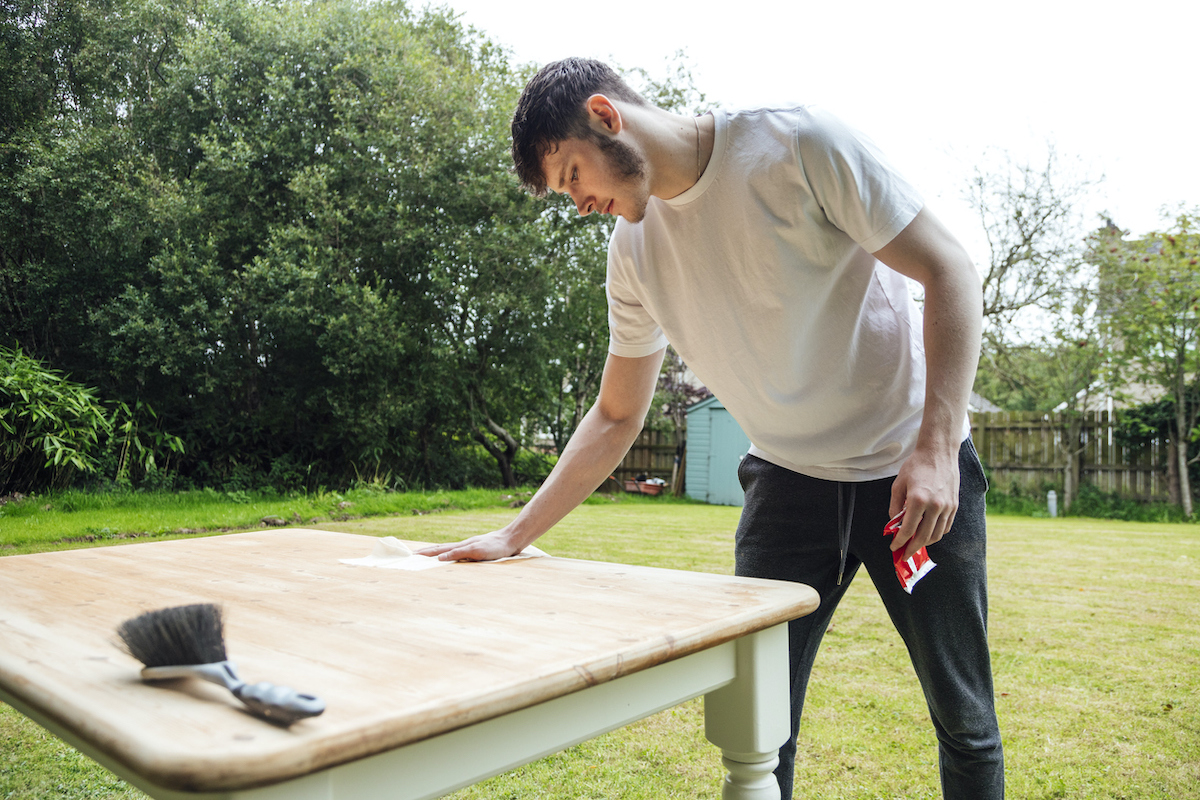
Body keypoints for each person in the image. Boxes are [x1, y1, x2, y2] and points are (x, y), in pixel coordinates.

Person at [417, 57, 1004, 799]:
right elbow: (617, 413)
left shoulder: (799, 145)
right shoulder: (632, 254)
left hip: (908, 476)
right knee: (761, 726)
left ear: (605, 117)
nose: (580, 204)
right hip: (787, 488)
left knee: (964, 719)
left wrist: (936, 448)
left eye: (572, 177)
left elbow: (950, 269)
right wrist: (515, 533)